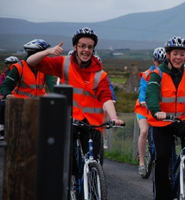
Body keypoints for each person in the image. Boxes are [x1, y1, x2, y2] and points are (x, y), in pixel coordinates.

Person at [26, 27, 124, 165]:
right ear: (75, 47)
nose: (86, 50)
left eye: (90, 47)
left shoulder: (99, 74)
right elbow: (31, 62)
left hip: (92, 124)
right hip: (69, 119)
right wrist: (48, 52)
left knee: (93, 161)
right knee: (65, 161)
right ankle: (69, 184)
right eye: (82, 46)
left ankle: (92, 183)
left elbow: (106, 97)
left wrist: (114, 118)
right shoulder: (63, 63)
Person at [145, 36, 185, 200]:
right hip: (162, 120)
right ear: (168, 55)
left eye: (181, 54)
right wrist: (156, 110)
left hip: (183, 119)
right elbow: (150, 95)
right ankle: (162, 196)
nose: (178, 57)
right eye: (175, 54)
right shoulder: (157, 74)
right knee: (162, 158)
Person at [0, 39, 56, 140]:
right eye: (42, 54)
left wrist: (58, 96)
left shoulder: (45, 67)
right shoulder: (19, 67)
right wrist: (8, 94)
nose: (45, 57)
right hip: (20, 107)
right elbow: (5, 86)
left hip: (40, 106)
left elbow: (51, 83)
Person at [134, 47, 166, 175]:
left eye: (163, 63)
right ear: (154, 60)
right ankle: (142, 162)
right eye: (158, 62)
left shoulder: (167, 74)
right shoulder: (147, 74)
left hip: (158, 108)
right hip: (143, 107)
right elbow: (142, 89)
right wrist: (143, 100)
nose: (160, 65)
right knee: (144, 131)